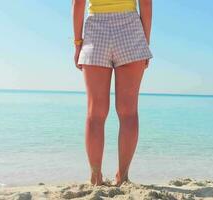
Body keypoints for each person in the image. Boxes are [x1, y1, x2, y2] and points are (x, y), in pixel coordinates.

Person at [72, 0, 153, 186]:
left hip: (96, 30)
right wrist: (145, 42)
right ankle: (122, 176)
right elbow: (146, 4)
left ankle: (95, 176)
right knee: (128, 113)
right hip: (130, 30)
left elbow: (78, 3)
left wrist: (77, 44)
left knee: (95, 114)